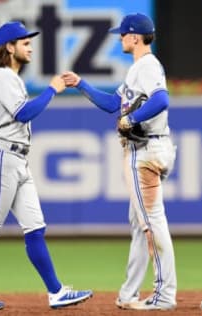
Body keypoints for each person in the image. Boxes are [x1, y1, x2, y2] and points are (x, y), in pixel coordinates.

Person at [0, 21, 93, 310]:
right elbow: (23, 113)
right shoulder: (4, 75)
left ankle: (55, 292)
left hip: (15, 159)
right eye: (25, 42)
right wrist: (52, 89)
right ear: (9, 47)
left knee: (35, 228)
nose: (30, 47)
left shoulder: (8, 79)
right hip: (4, 158)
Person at [62, 13, 177, 310]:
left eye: (123, 34)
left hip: (145, 152)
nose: (119, 38)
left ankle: (164, 296)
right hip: (150, 147)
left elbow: (162, 99)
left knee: (151, 223)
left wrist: (133, 118)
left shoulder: (148, 65)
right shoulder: (138, 68)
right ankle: (128, 294)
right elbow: (113, 104)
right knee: (140, 224)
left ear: (135, 37)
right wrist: (81, 84)